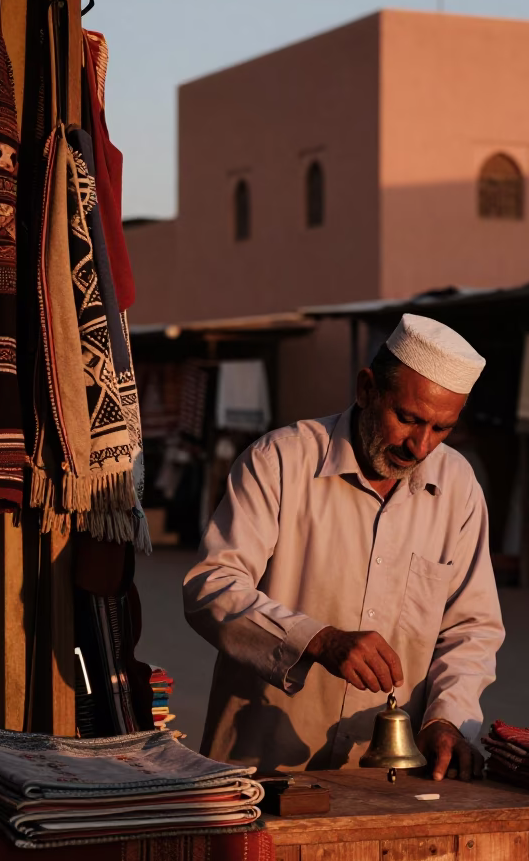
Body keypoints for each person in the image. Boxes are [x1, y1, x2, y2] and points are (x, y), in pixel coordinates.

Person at [183, 314, 505, 781]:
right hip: (262, 769)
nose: (420, 446)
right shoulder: (279, 462)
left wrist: (446, 718)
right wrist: (318, 640)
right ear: (366, 389)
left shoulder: (458, 488)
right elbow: (211, 587)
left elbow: (471, 628)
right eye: (408, 419)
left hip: (391, 778)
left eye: (441, 429)